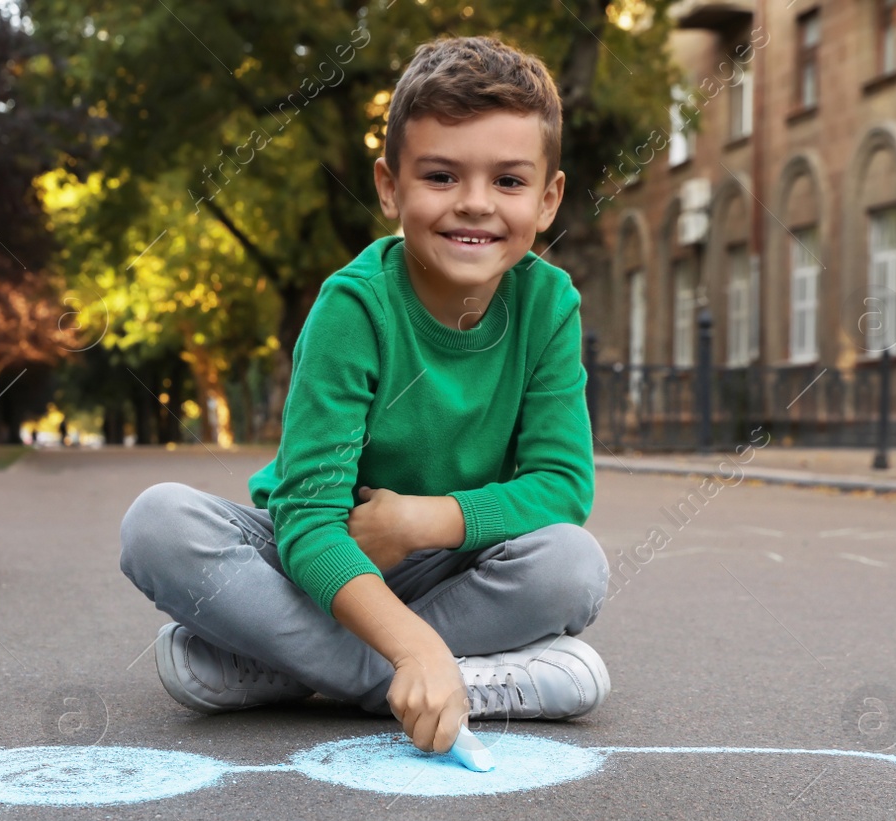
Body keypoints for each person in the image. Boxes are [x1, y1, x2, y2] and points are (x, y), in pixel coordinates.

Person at [119, 35, 611, 756]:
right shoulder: (354, 307)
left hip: (454, 565)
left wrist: (421, 520)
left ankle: (284, 669)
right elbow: (311, 523)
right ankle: (439, 677)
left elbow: (563, 488)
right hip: (330, 559)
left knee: (573, 565)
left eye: (508, 182)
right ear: (389, 188)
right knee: (157, 523)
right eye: (441, 176)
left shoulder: (549, 304)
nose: (475, 204)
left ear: (548, 199)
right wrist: (413, 650)